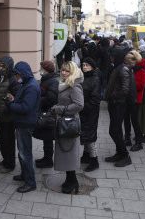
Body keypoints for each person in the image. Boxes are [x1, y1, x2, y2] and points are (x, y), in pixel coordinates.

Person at [7, 61, 40, 193]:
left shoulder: (31, 87)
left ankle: (30, 182)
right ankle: (24, 175)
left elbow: (26, 107)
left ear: (24, 73)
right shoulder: (26, 83)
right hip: (22, 122)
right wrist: (14, 99)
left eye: (18, 74)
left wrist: (10, 104)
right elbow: (22, 101)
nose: (16, 77)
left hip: (26, 123)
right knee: (22, 152)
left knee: (25, 153)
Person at [52, 61, 84, 193]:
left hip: (70, 123)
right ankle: (70, 179)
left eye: (67, 71)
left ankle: (73, 181)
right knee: (65, 152)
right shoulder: (65, 85)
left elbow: (79, 105)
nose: (63, 73)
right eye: (62, 70)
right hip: (64, 122)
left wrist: (61, 109)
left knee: (69, 152)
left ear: (73, 72)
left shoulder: (74, 86)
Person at [105, 46, 133, 167]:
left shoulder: (123, 69)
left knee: (114, 130)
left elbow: (125, 89)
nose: (111, 58)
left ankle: (125, 156)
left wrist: (113, 96)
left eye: (113, 56)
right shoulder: (119, 68)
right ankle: (119, 153)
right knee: (115, 130)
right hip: (115, 103)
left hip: (118, 104)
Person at [0, 56, 20, 174]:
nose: (0, 67)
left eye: (3, 66)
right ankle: (5, 159)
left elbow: (16, 97)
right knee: (1, 139)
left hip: (8, 116)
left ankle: (10, 164)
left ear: (9, 67)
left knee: (8, 140)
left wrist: (8, 106)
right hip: (0, 115)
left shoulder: (13, 80)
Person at [35, 60, 59, 169]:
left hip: (48, 114)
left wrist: (38, 100)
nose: (40, 70)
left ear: (46, 70)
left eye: (42, 69)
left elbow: (52, 98)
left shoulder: (52, 81)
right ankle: (46, 158)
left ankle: (48, 160)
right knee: (46, 137)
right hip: (45, 112)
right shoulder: (47, 79)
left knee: (48, 137)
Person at [80, 58, 101, 172]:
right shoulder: (84, 77)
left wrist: (83, 107)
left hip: (90, 112)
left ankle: (94, 160)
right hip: (84, 111)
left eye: (87, 65)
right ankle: (86, 156)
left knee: (90, 136)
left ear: (92, 66)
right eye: (83, 65)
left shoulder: (95, 79)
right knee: (85, 134)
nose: (84, 67)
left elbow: (95, 99)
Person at [126, 50, 145, 152]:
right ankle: (127, 139)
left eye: (133, 59)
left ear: (137, 59)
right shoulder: (131, 69)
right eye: (129, 59)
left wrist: (129, 84)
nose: (130, 61)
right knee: (127, 120)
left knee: (135, 121)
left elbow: (141, 86)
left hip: (136, 99)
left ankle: (139, 142)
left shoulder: (141, 70)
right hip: (128, 98)